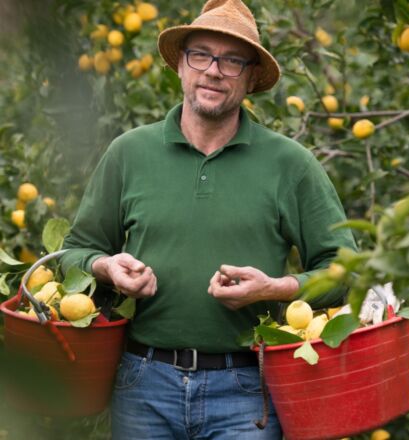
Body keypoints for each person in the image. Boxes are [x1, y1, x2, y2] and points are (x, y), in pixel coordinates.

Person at [61, 0, 357, 438]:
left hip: (245, 389)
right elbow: (72, 255)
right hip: (143, 383)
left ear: (252, 77)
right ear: (180, 66)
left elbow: (345, 266)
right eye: (200, 54)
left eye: (232, 61)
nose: (214, 70)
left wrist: (274, 289)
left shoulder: (290, 164)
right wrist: (106, 268)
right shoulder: (129, 153)